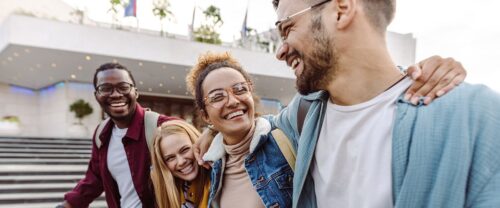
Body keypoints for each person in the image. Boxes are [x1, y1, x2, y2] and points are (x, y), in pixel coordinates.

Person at [266, 0, 499, 207]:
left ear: (342, 10)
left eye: (287, 29)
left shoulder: (474, 116)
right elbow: (247, 133)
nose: (280, 51)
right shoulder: (302, 115)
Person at [186, 52, 296, 208]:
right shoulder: (211, 166)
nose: (233, 101)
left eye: (240, 89)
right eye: (217, 97)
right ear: (206, 116)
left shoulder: (284, 132)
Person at [61, 63, 176, 208]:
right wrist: (68, 205)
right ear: (96, 96)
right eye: (105, 89)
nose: (116, 94)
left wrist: (209, 133)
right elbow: (95, 179)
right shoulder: (101, 134)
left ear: (135, 92)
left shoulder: (162, 126)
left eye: (123, 87)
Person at [150, 119, 210, 208]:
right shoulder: (170, 192)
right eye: (170, 158)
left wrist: (211, 133)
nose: (181, 162)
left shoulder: (219, 177)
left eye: (185, 150)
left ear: (197, 142)